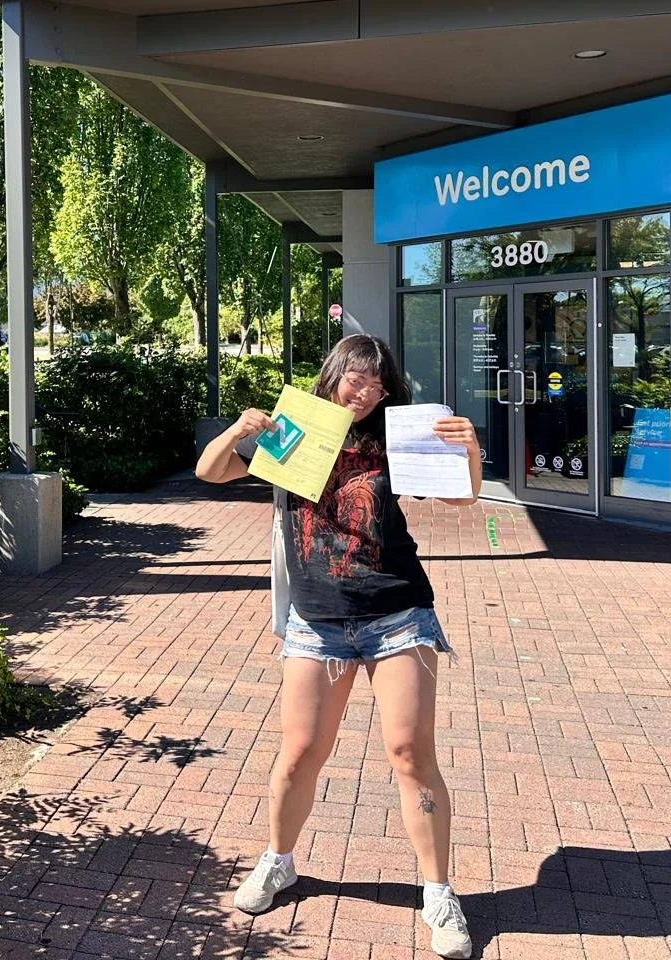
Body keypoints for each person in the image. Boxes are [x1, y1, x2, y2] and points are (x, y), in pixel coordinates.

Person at [195, 333, 483, 960]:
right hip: (317, 619)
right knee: (299, 753)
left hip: (396, 612)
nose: (365, 392)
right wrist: (240, 428)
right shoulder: (293, 431)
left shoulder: (393, 437)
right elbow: (211, 470)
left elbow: (463, 495)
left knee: (409, 751)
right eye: (356, 378)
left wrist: (470, 451)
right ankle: (278, 861)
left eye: (377, 384)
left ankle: (438, 892)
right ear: (333, 375)